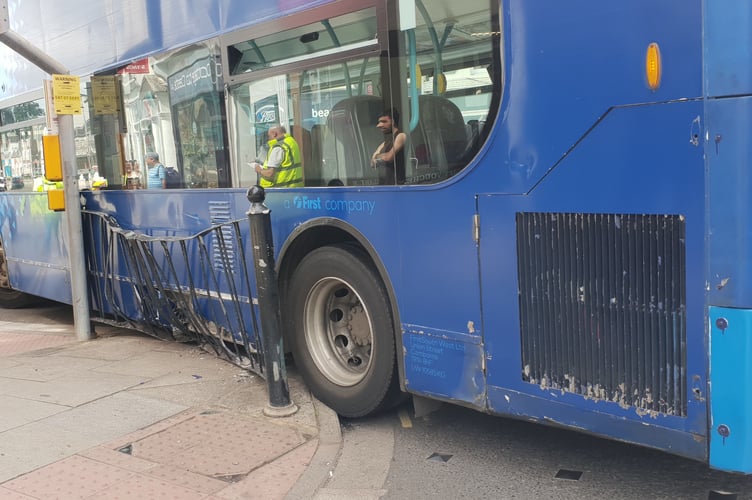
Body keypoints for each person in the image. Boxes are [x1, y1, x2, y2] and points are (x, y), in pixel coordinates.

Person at [371, 108, 406, 185]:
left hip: (396, 186)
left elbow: (389, 157)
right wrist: (377, 157)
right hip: (384, 185)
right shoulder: (386, 142)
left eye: (383, 121)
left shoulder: (401, 136)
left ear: (393, 122)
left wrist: (377, 156)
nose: (379, 125)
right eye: (379, 122)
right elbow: (372, 163)